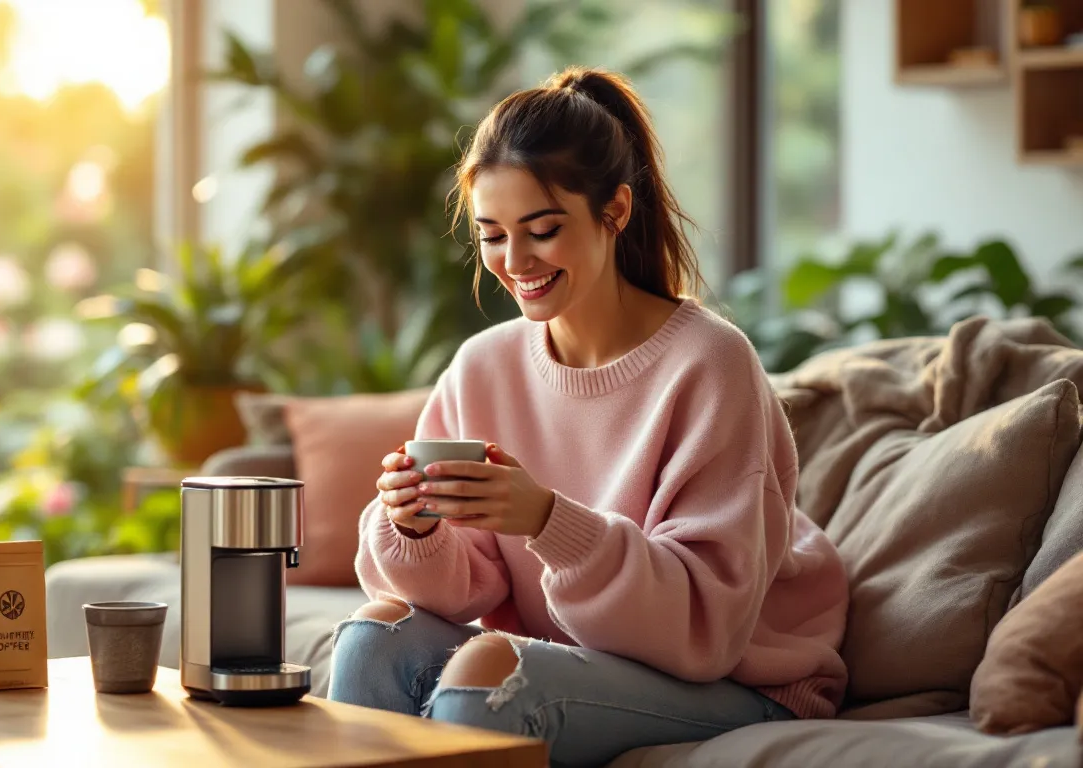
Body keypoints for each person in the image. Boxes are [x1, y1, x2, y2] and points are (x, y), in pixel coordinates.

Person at [324, 65, 850, 767]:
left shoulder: (709, 364)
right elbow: (464, 589)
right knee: (374, 637)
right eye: (492, 235)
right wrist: (414, 526)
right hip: (575, 660)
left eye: (541, 230)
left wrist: (548, 521)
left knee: (491, 673)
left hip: (735, 676)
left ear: (617, 211)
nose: (516, 262)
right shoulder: (483, 366)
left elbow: (707, 627)